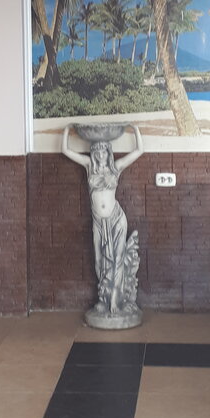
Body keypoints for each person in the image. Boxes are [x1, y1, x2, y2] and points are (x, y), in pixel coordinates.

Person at [61, 126, 144, 317]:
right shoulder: (88, 166)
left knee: (118, 259)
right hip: (98, 222)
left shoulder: (116, 168)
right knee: (99, 259)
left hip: (116, 218)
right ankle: (104, 297)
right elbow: (65, 150)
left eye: (103, 151)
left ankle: (115, 297)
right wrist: (67, 129)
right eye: (96, 151)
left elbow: (139, 151)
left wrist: (135, 128)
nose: (100, 155)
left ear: (108, 152)